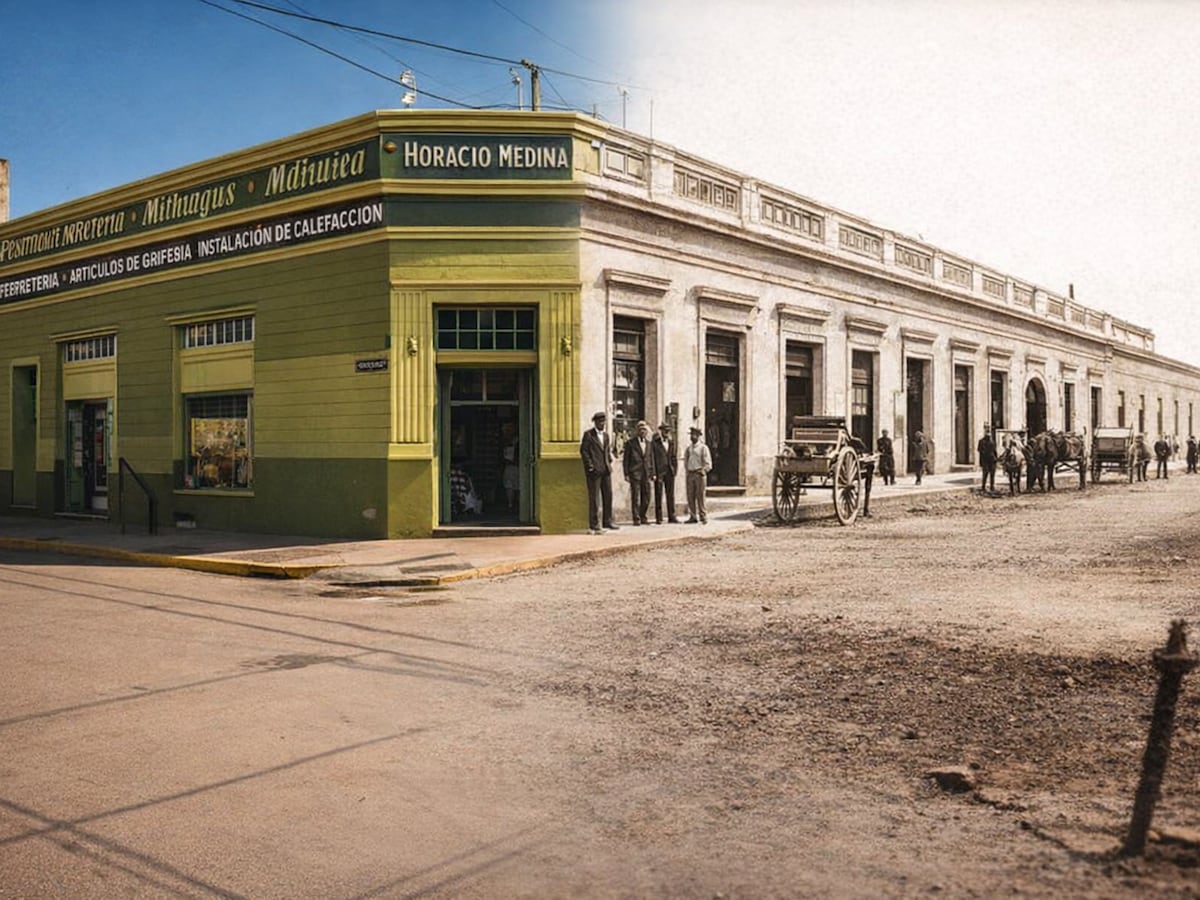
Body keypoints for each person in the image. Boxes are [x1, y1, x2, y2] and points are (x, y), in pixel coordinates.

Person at [580, 411, 618, 534]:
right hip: (594, 471)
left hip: (605, 469)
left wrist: (609, 461)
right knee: (595, 498)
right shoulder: (589, 435)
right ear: (595, 422)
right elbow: (584, 451)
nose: (602, 423)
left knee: (608, 495)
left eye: (604, 421)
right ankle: (594, 524)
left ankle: (608, 520)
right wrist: (590, 466)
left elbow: (606, 451)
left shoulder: (606, 436)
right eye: (600, 421)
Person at [623, 419, 658, 525]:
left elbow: (651, 459)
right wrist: (626, 474)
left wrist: (653, 473)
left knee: (647, 496)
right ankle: (636, 518)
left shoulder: (649, 444)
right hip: (635, 473)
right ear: (637, 431)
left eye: (644, 429)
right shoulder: (630, 443)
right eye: (640, 429)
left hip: (646, 473)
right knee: (636, 497)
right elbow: (626, 460)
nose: (642, 431)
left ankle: (643, 516)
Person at [683, 426, 713, 524]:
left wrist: (703, 471)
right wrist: (687, 470)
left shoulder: (703, 448)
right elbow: (686, 460)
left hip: (699, 474)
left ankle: (703, 516)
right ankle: (692, 516)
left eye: (694, 435)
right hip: (691, 474)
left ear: (698, 436)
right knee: (690, 495)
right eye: (691, 435)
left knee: (700, 496)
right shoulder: (689, 448)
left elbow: (708, 463)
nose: (692, 437)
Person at [651, 423, 680, 524]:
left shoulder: (671, 442)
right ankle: (659, 517)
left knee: (670, 494)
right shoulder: (655, 443)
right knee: (658, 494)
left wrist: (675, 469)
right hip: (659, 471)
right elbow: (652, 459)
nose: (666, 433)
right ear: (661, 431)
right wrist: (654, 472)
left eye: (668, 431)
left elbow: (673, 457)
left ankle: (672, 516)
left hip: (669, 471)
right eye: (664, 431)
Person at [500, 421, 519, 511]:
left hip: (515, 466)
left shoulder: (517, 441)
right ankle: (511, 504)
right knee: (510, 486)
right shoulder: (506, 441)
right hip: (510, 466)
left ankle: (514, 504)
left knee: (515, 486)